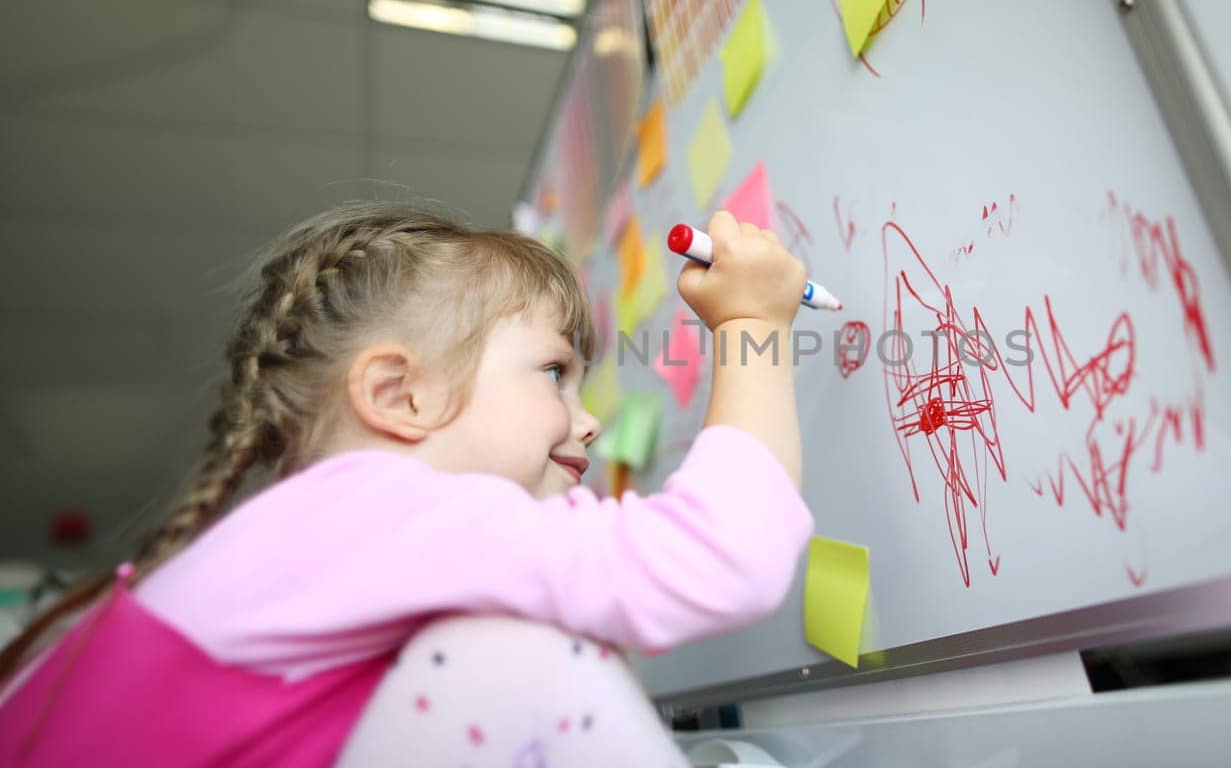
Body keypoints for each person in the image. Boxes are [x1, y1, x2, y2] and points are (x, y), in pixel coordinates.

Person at [0, 205, 814, 767]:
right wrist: (752, 327)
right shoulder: (372, 508)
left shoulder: (312, 539)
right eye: (555, 374)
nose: (588, 421)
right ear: (399, 395)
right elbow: (720, 556)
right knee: (510, 649)